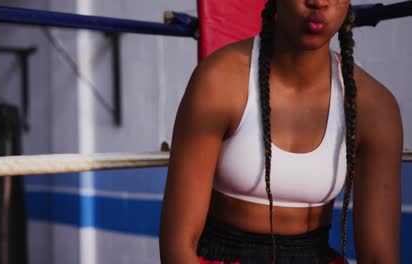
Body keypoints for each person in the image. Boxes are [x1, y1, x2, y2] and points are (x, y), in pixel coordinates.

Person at [159, 0, 403, 263]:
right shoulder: (219, 81)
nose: (319, 2)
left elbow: (380, 256)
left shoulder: (374, 106)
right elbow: (178, 246)